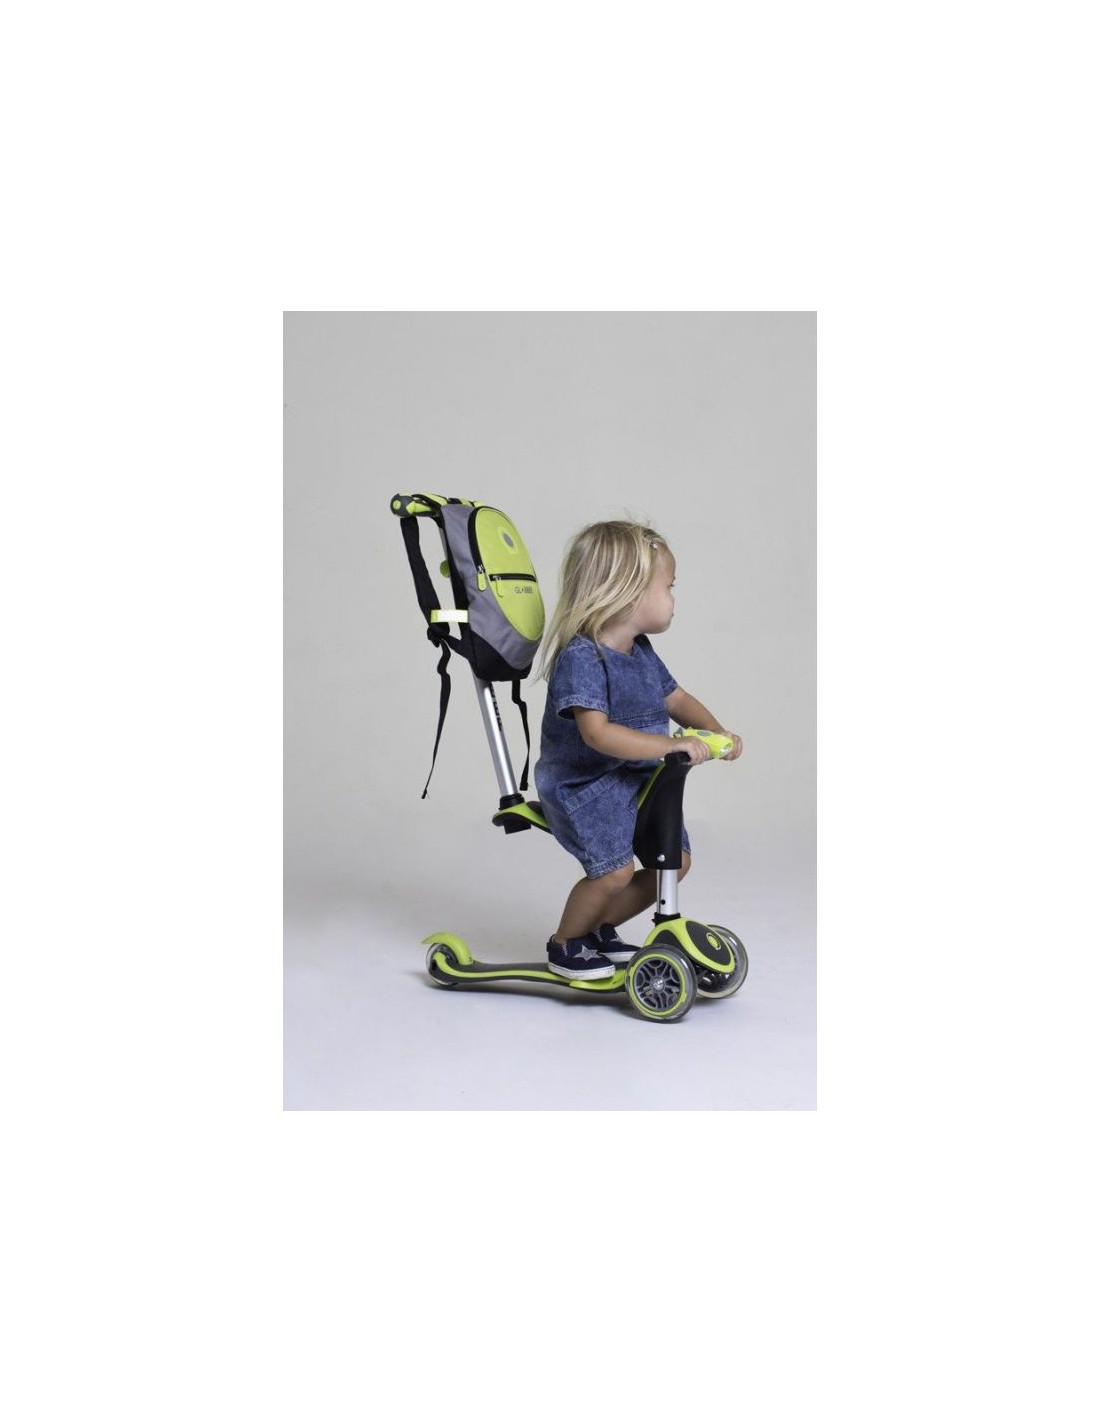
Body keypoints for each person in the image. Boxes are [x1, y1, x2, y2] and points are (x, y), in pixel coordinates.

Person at [532, 520, 742, 980]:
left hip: (638, 776)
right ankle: (566, 943)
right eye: (668, 587)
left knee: (674, 864)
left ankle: (597, 928)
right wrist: (670, 745)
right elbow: (597, 734)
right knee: (614, 873)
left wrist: (717, 733)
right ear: (626, 592)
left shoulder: (641, 651)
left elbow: (677, 699)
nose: (674, 597)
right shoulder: (582, 657)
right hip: (587, 784)